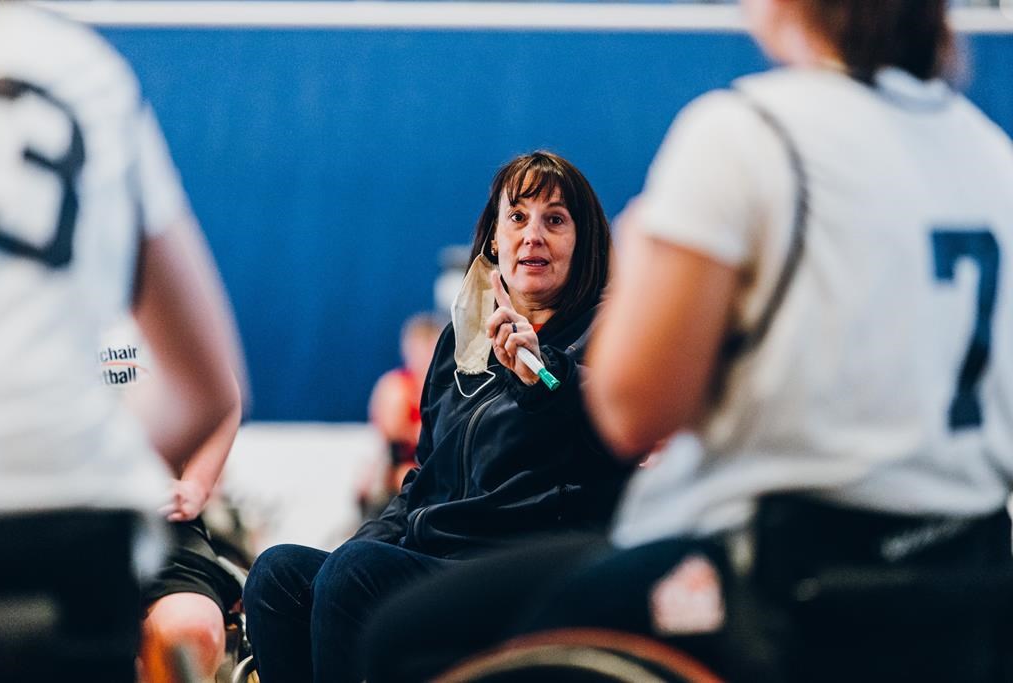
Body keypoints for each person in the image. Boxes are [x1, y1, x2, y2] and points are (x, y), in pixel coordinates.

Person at [360, 1, 1013, 680]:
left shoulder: (751, 133)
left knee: (407, 632)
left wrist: (642, 266)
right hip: (964, 575)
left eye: (553, 218)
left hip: (781, 580)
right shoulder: (992, 157)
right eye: (518, 217)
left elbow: (631, 414)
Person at [242, 150, 634, 683]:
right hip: (432, 557)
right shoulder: (459, 342)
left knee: (355, 576)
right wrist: (357, 546)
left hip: (526, 566)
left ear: (582, 244)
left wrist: (541, 372)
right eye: (517, 217)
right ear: (494, 240)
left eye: (555, 220)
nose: (533, 235)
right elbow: (423, 479)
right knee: (278, 574)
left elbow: (609, 410)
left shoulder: (610, 332)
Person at [0, 2, 242, 681]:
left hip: (109, 503)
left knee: (187, 621)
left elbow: (217, 398)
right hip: (77, 513)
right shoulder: (82, 68)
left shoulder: (121, 323)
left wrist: (181, 485)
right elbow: (210, 383)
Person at [100, 320, 245, 681]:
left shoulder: (146, 289)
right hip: (39, 516)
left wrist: (196, 484)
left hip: (155, 516)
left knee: (191, 629)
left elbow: (223, 394)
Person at [366, 312, 444, 498]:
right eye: (419, 349)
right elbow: (393, 438)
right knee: (404, 475)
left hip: (436, 462)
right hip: (401, 463)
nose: (424, 357)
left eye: (430, 349)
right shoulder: (396, 386)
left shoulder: (447, 386)